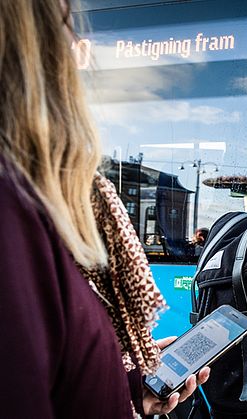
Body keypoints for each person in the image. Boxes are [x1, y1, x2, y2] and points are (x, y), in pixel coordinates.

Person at [0, 2, 206, 417]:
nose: (80, 48)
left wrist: (130, 389)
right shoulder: (13, 214)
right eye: (65, 25)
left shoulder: (38, 209)